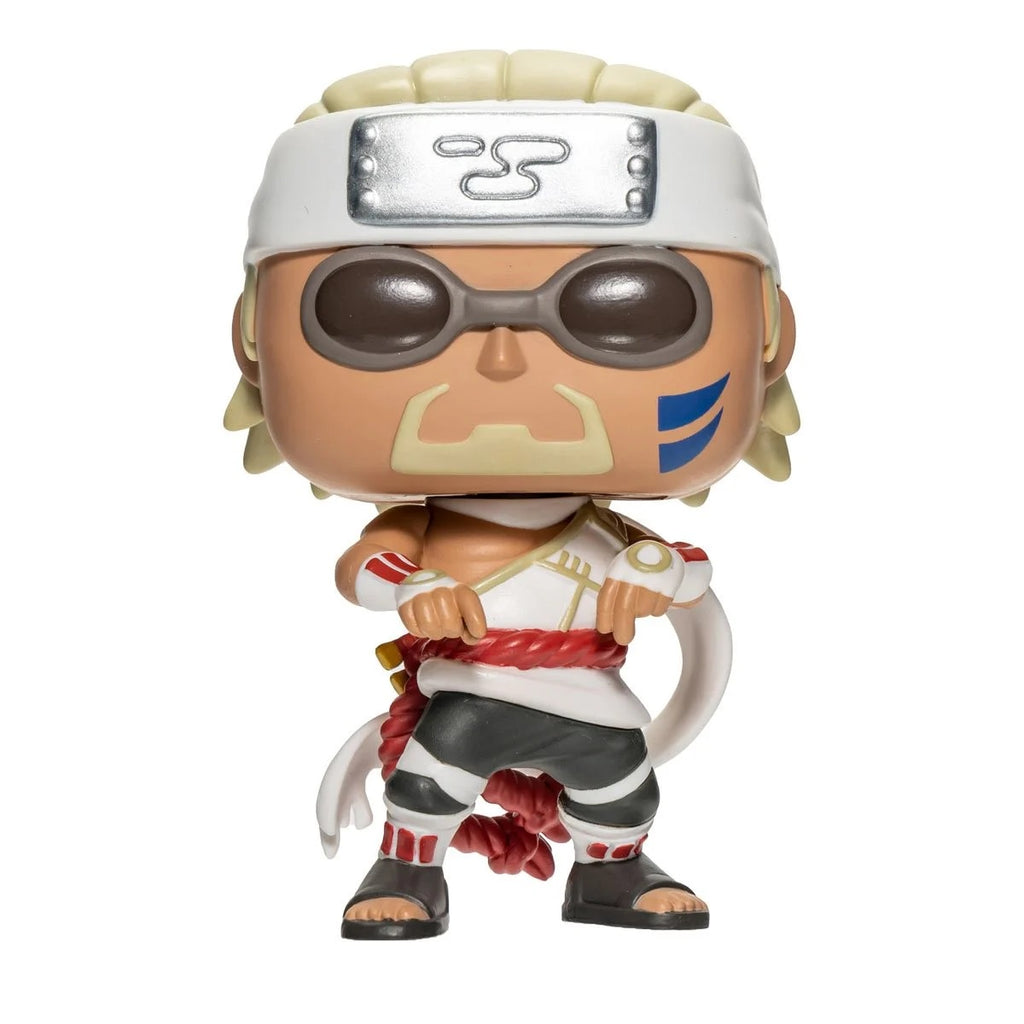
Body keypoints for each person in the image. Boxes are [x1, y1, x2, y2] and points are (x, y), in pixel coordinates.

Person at [227, 49, 798, 939]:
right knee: (428, 786)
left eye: (624, 305)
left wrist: (655, 572)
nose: (502, 361)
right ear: (251, 337)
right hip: (469, 691)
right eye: (386, 308)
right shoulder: (423, 526)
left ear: (770, 335)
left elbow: (685, 570)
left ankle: (610, 874)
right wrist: (416, 587)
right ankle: (408, 870)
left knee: (621, 790)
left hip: (592, 696)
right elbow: (366, 568)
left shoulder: (606, 530)